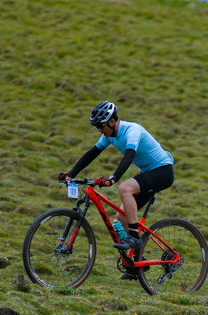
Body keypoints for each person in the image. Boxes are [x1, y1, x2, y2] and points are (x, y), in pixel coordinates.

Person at [59, 101, 175, 268]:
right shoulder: (110, 135)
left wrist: (114, 178)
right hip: (149, 173)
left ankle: (134, 237)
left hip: (163, 171)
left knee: (125, 188)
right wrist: (70, 174)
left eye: (101, 126)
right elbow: (92, 154)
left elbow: (129, 155)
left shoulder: (132, 131)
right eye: (97, 127)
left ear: (112, 122)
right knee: (122, 218)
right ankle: (138, 263)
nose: (99, 130)